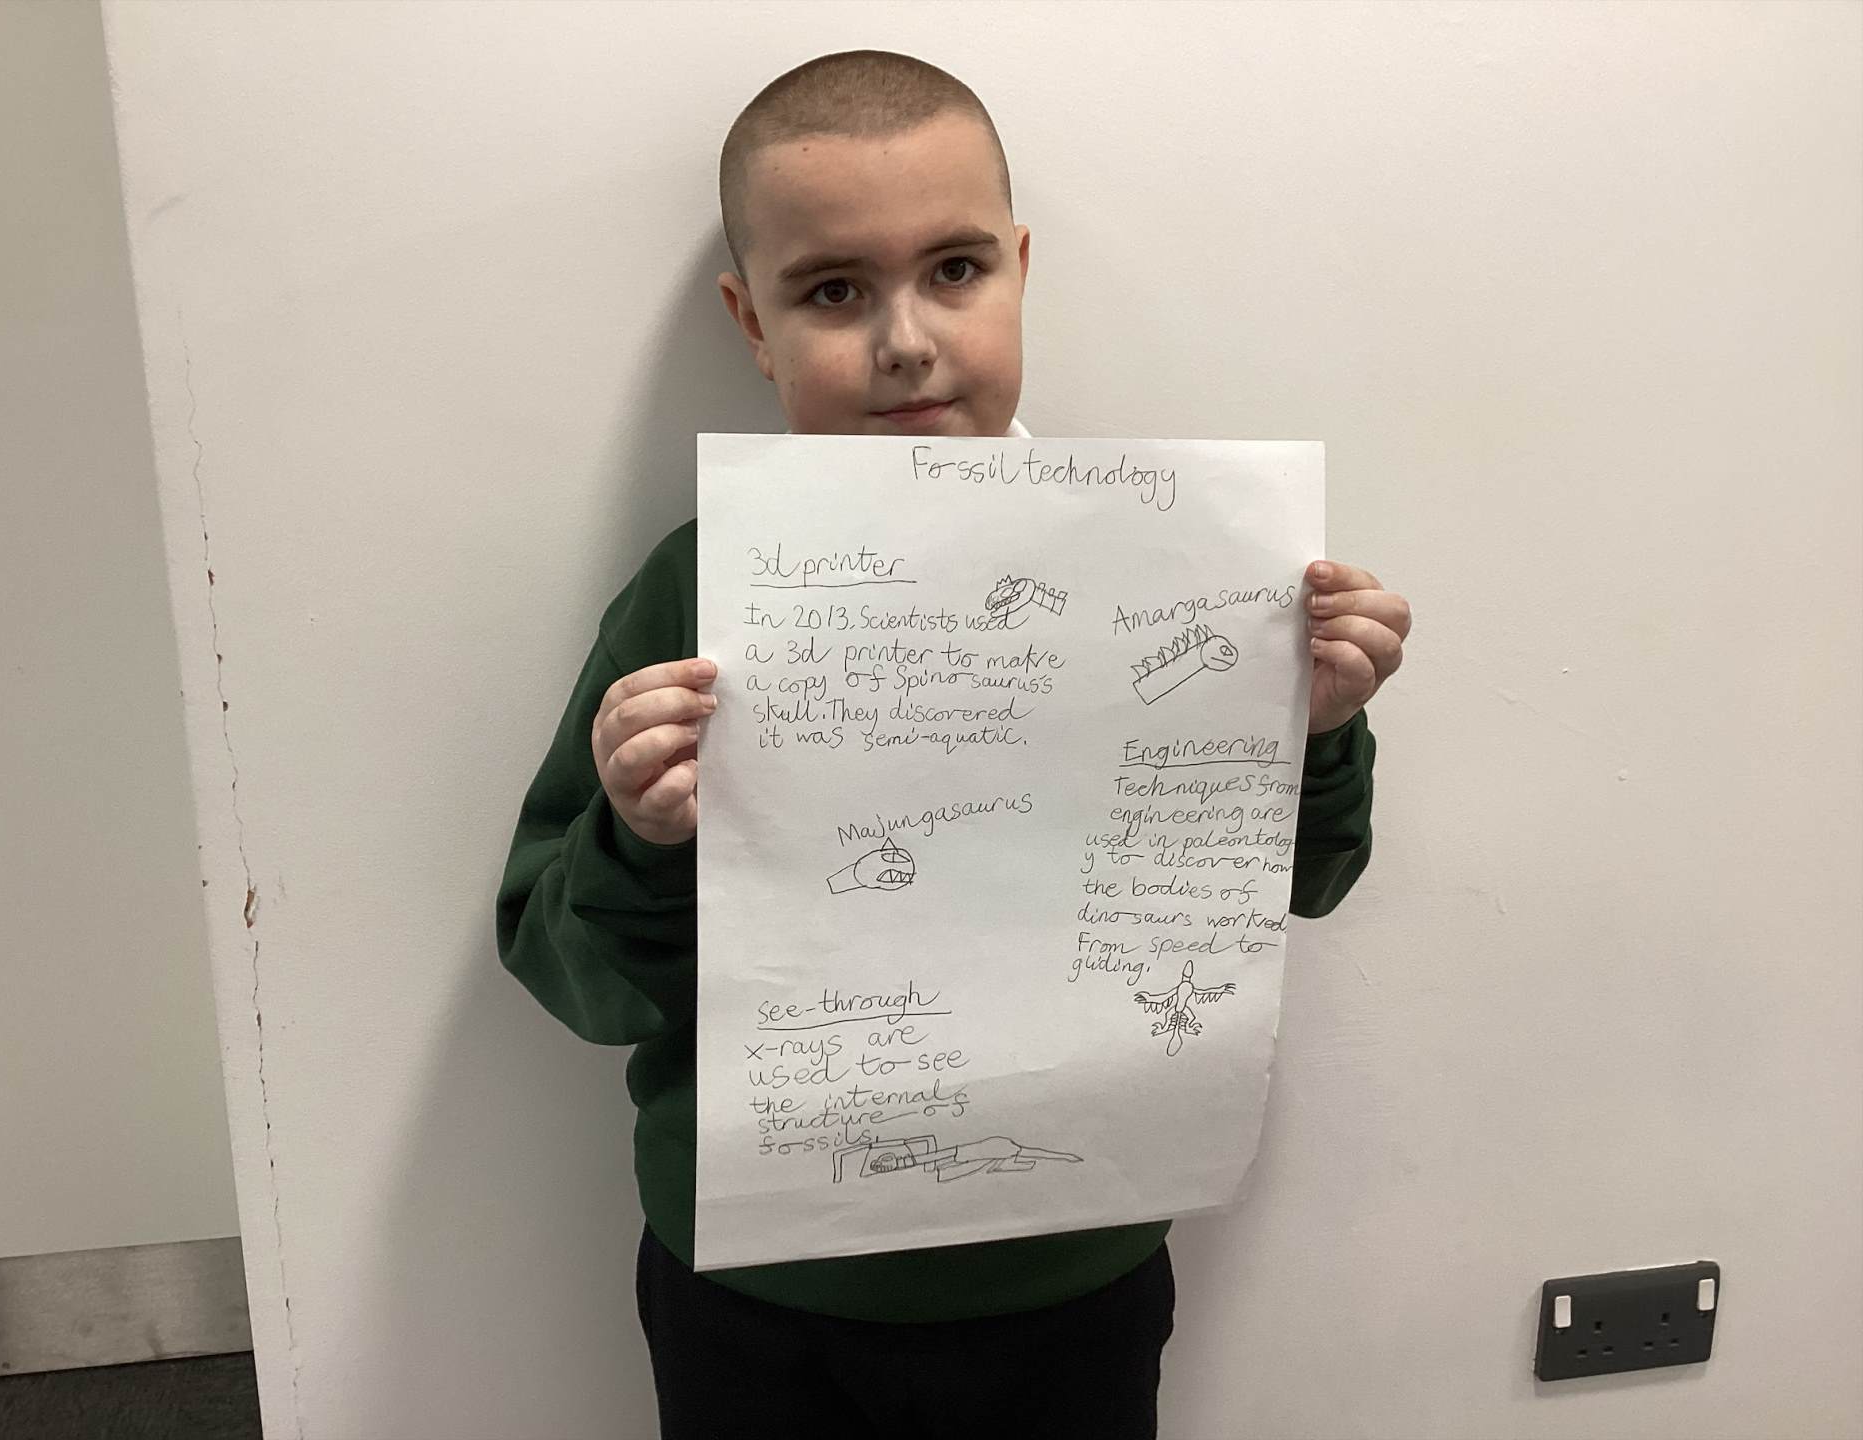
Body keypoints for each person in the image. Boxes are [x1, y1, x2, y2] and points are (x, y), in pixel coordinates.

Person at [495, 48, 1411, 1439]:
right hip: (761, 1287)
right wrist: (638, 832)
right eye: (833, 291)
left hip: (1069, 1273)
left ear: (1019, 271)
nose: (906, 340)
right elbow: (572, 978)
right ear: (752, 320)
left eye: (956, 270)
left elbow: (1301, 883)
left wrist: (1320, 724)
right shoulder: (698, 592)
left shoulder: (1175, 568)